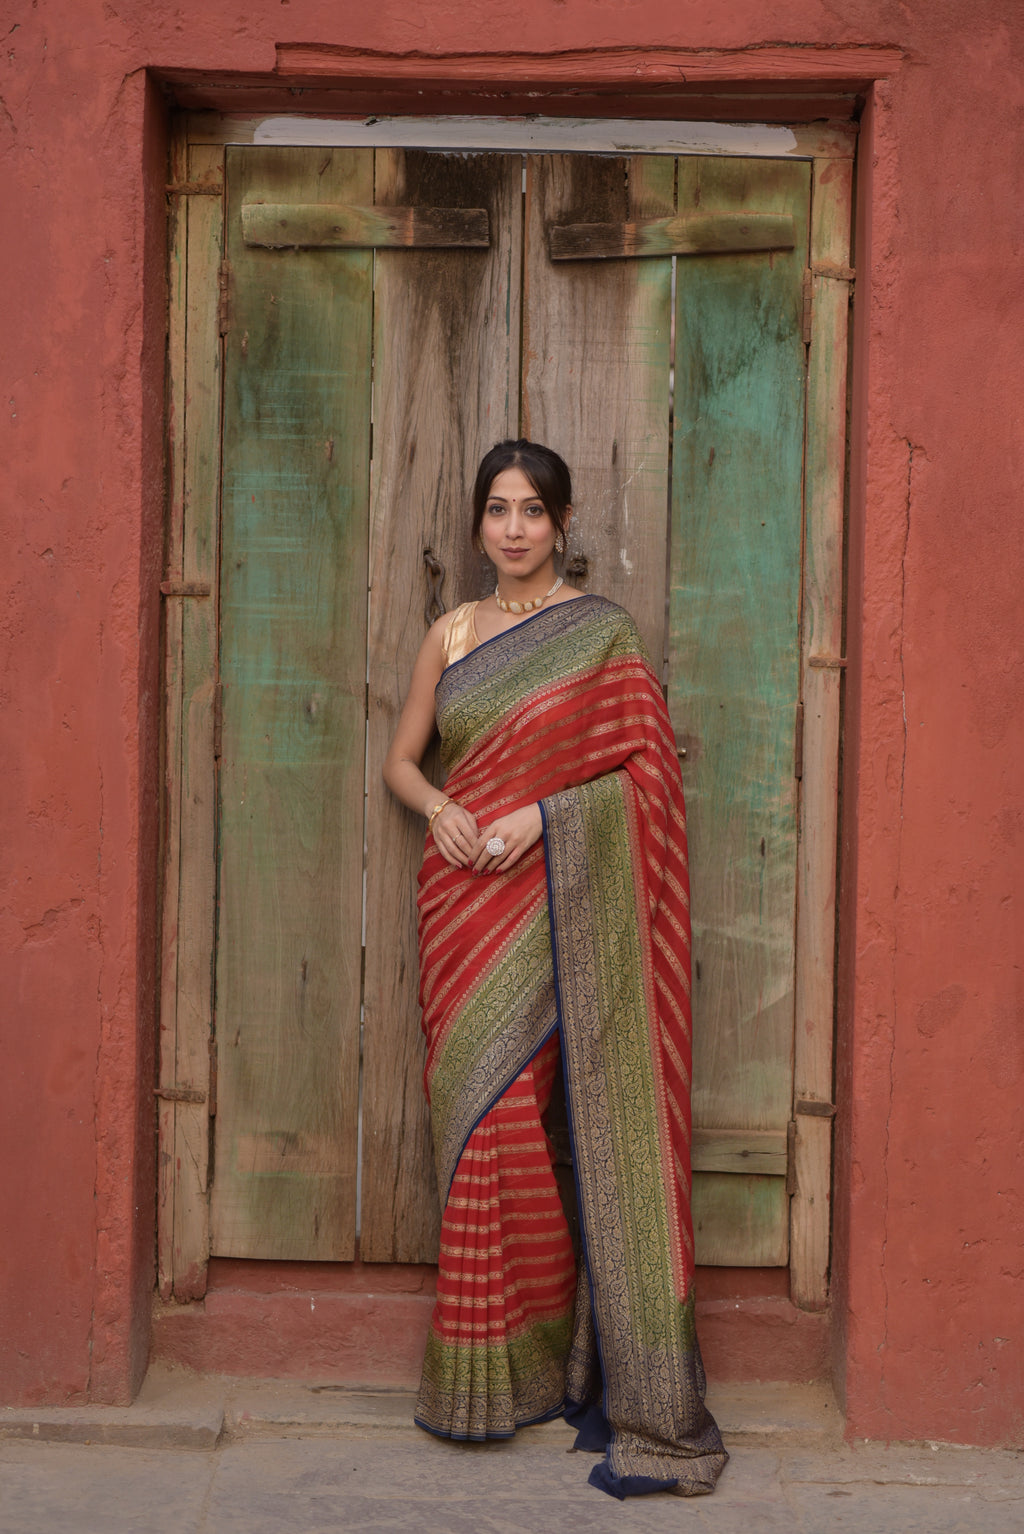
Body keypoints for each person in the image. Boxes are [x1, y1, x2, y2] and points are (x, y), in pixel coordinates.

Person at [383, 440, 727, 1499]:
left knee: (513, 1135)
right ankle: (485, 1374)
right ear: (479, 521)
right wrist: (438, 806)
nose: (515, 528)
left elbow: (649, 776)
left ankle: (543, 1368)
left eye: (534, 510)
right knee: (471, 1124)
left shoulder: (601, 635)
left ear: (563, 522)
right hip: (459, 906)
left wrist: (543, 818)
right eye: (498, 509)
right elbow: (401, 758)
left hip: (551, 900)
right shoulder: (450, 632)